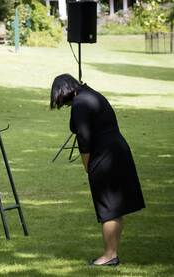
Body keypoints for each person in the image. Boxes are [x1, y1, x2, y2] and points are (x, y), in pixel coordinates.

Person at [50, 74, 145, 266]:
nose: (66, 105)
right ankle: (112, 253)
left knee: (108, 209)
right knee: (115, 207)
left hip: (104, 157)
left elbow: (84, 139)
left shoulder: (79, 104)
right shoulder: (91, 93)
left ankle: (109, 255)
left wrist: (87, 166)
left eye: (63, 101)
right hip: (118, 151)